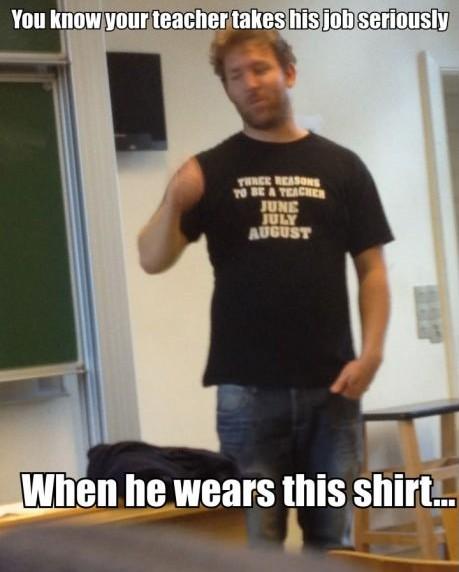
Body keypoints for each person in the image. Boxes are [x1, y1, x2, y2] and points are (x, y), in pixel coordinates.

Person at [138, 28, 393, 550]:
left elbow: (372, 270)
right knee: (254, 546)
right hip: (246, 394)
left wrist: (371, 355)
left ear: (288, 73)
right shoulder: (209, 170)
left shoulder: (343, 167)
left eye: (260, 69)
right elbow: (152, 259)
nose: (250, 83)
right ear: (227, 89)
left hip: (333, 388)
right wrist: (174, 200)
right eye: (236, 76)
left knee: (333, 544)